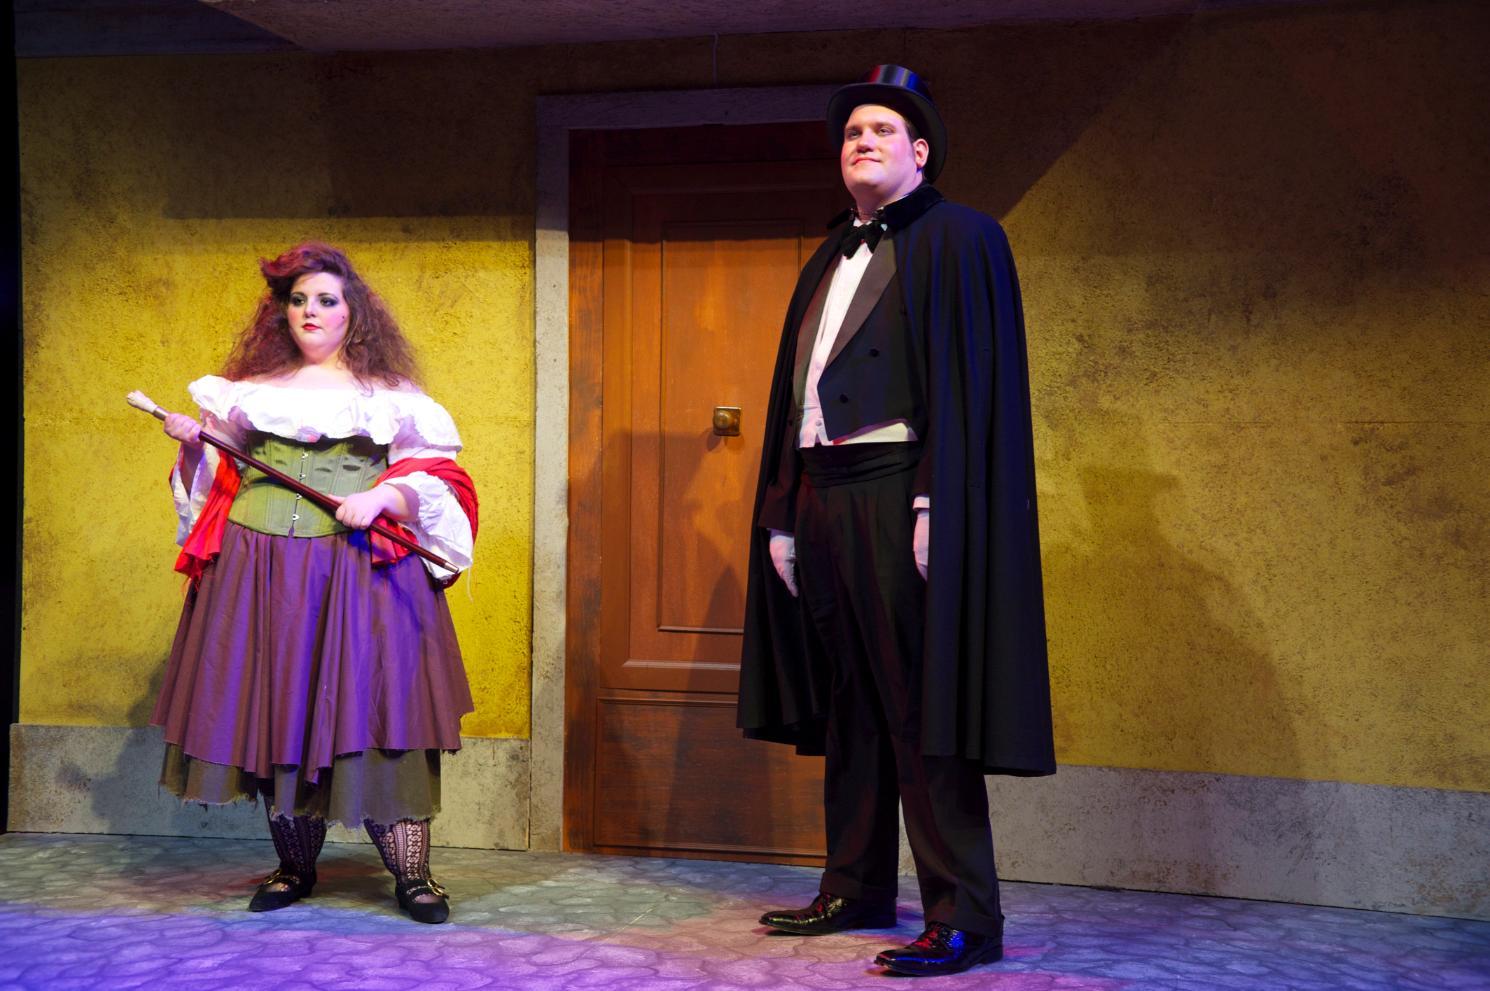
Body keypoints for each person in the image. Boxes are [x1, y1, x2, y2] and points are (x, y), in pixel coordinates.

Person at [737, 66, 1056, 976]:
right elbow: (795, 397)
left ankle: (964, 913)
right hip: (822, 495)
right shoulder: (827, 255)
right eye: (851, 133)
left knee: (923, 704)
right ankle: (855, 883)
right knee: (853, 702)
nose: (863, 142)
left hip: (899, 487)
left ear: (920, 151)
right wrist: (783, 516)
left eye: (882, 130)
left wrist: (933, 501)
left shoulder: (964, 238)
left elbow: (969, 382)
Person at [151, 242, 478, 925]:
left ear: (352, 312)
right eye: (298, 300)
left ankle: (413, 876)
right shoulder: (248, 393)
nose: (310, 311)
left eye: (326, 300)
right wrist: (191, 443)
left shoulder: (390, 399)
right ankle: (295, 867)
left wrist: (383, 498)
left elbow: (438, 479)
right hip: (258, 571)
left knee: (378, 713)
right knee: (279, 709)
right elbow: (216, 482)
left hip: (356, 575)